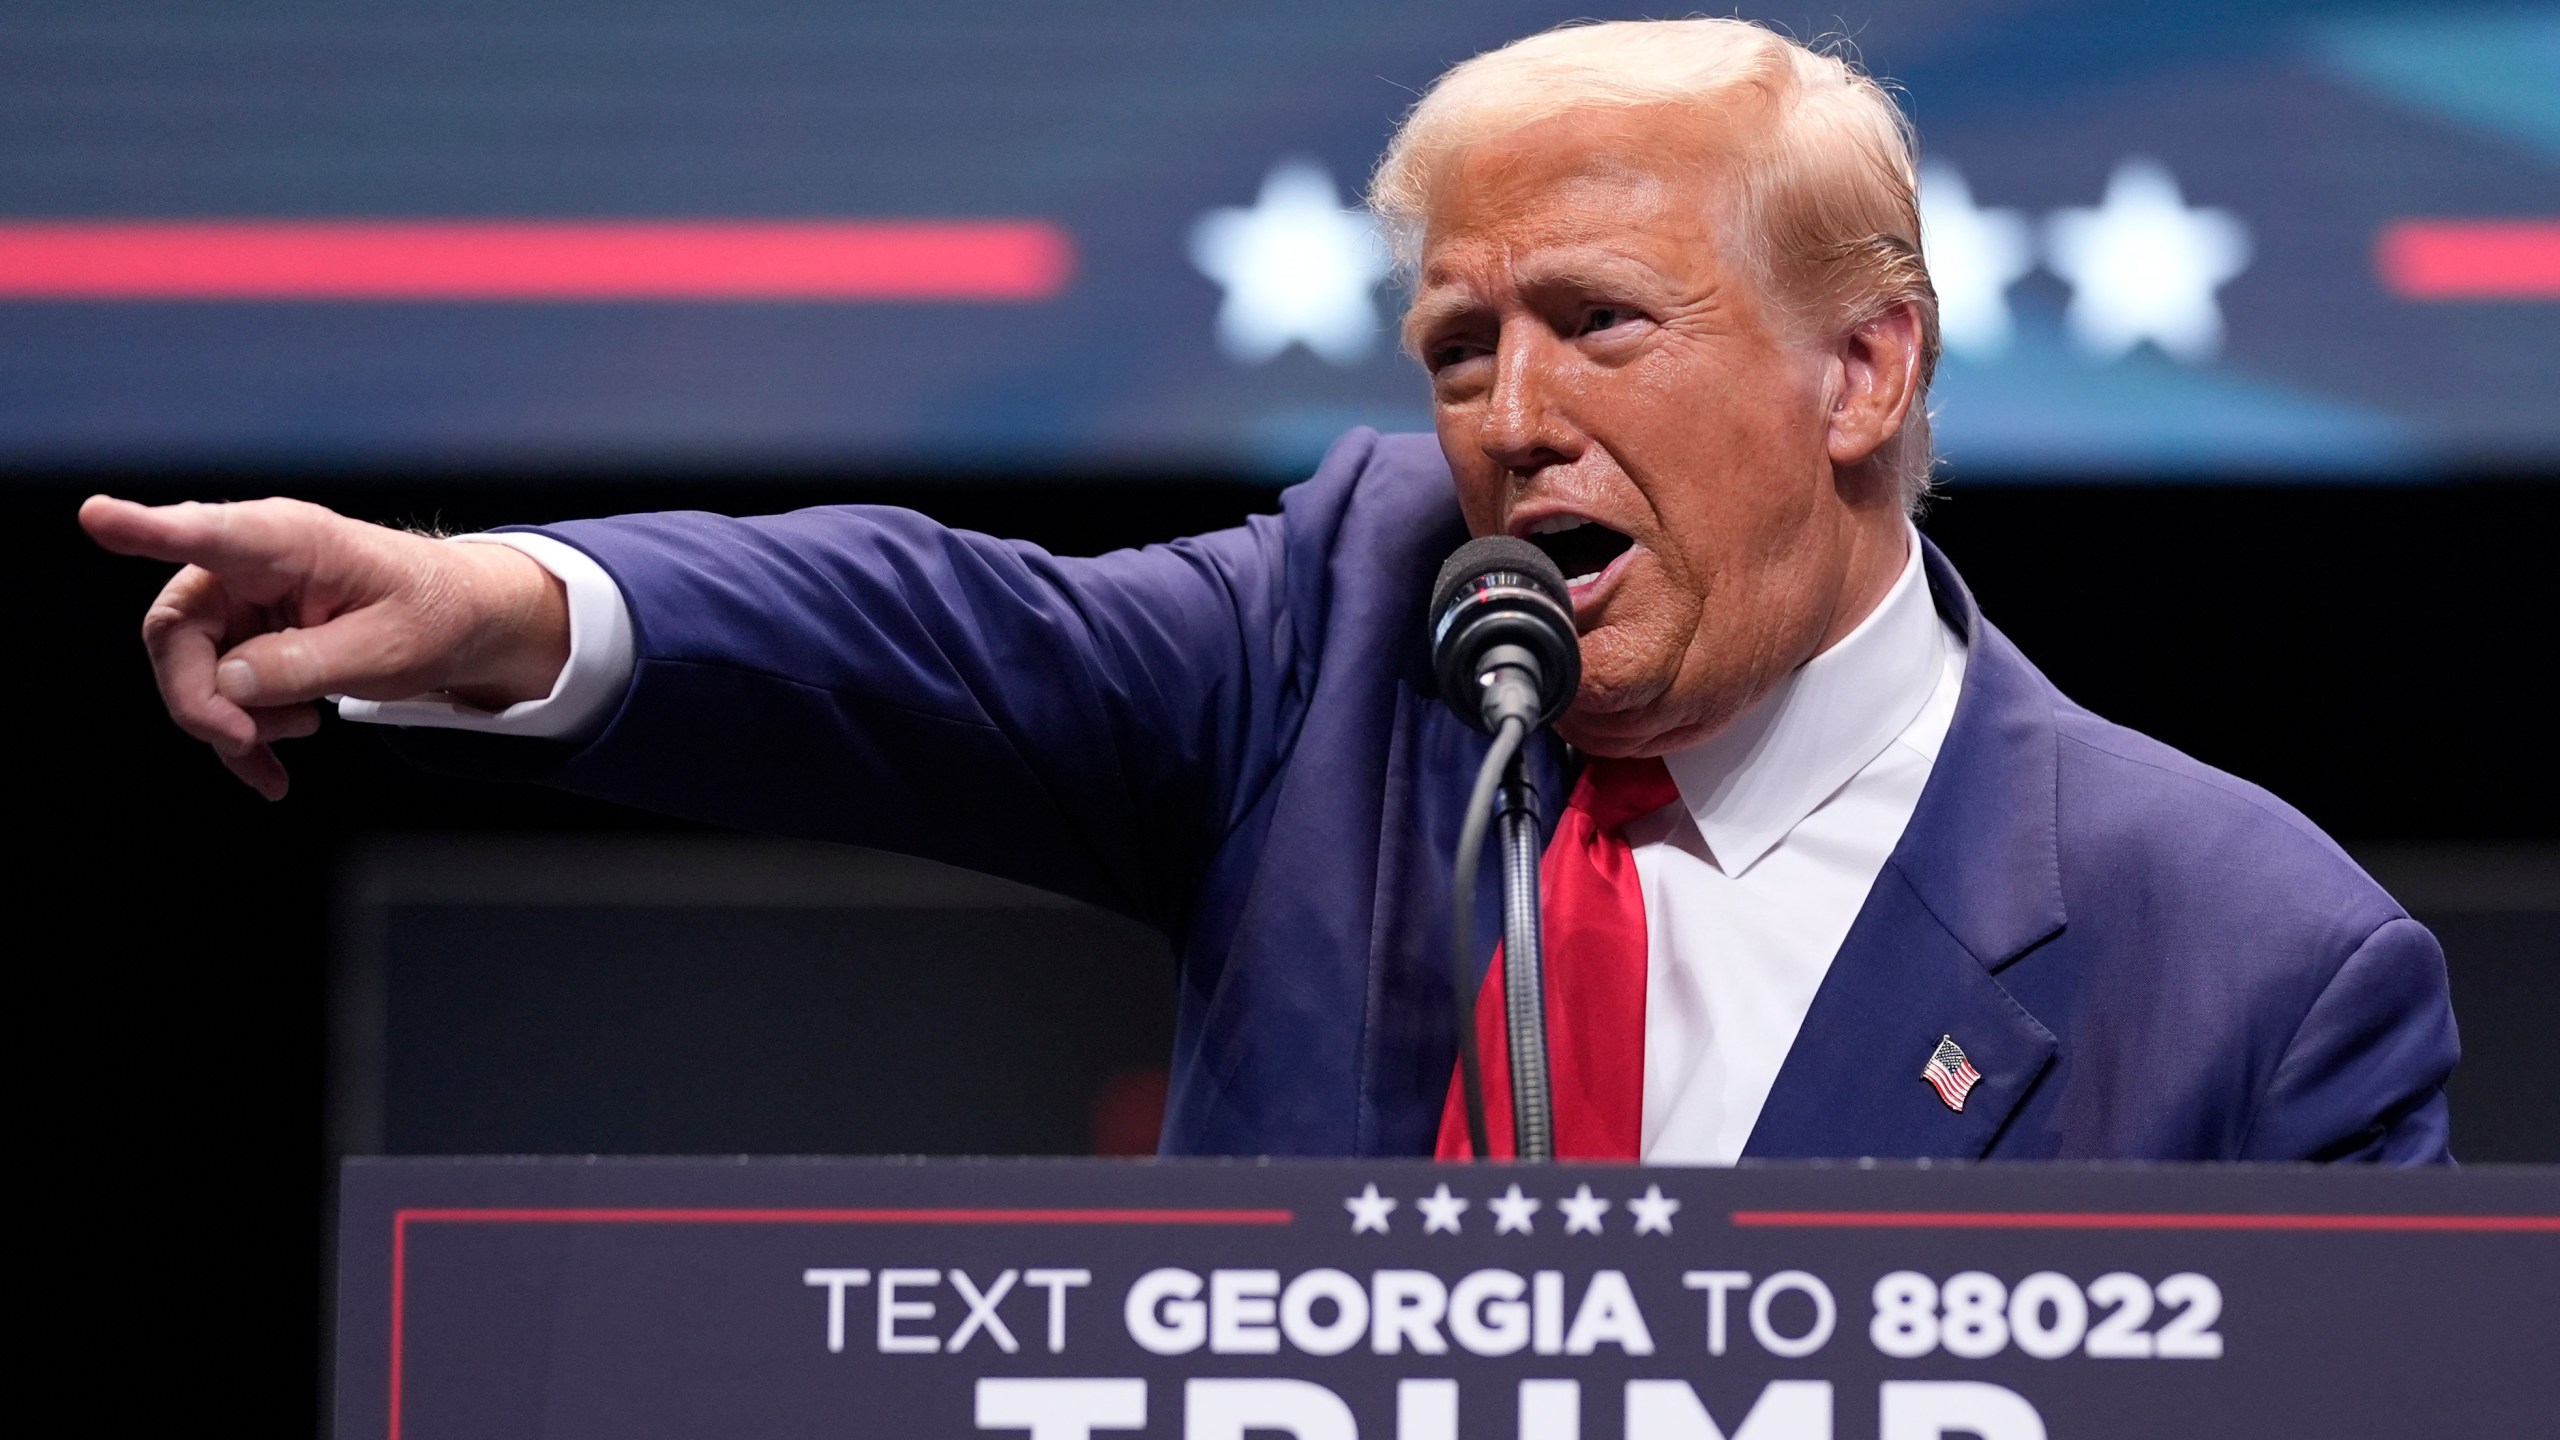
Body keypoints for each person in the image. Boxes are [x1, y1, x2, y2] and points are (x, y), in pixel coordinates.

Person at [80, 19, 2455, 1162]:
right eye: (1455, 346)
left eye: (1596, 326)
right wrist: (504, 601)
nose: (1505, 418)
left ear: (1861, 368)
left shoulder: (2250, 963)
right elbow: (928, 631)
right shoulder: (1348, 630)